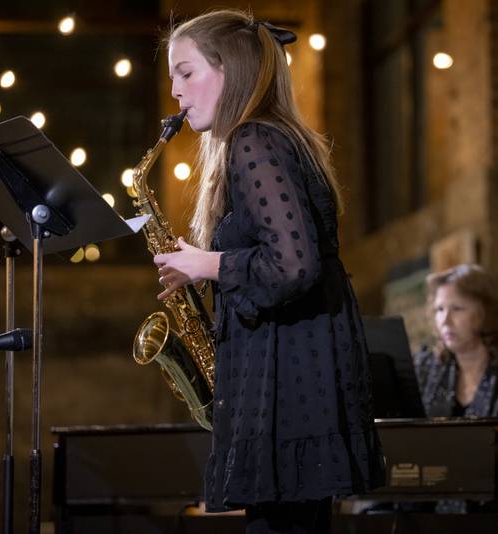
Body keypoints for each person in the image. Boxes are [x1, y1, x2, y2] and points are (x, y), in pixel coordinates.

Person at [151, 9, 386, 534]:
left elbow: (293, 263)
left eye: (185, 72)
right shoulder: (275, 137)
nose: (176, 91)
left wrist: (208, 263)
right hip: (300, 380)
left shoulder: (252, 141)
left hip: (288, 389)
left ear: (228, 69)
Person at [415, 263, 498, 420]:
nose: (445, 321)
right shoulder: (425, 367)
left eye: (457, 308)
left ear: (485, 312)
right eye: (440, 309)